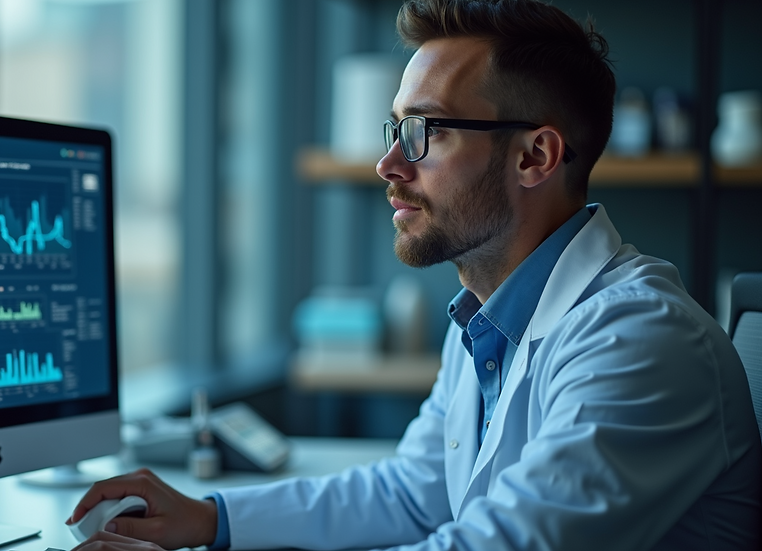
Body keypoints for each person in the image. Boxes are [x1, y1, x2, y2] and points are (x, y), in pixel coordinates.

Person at [67, 0, 762, 549]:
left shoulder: (640, 339)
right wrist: (210, 518)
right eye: (393, 129)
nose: (389, 165)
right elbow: (412, 492)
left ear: (534, 157)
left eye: (424, 131)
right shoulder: (485, 316)